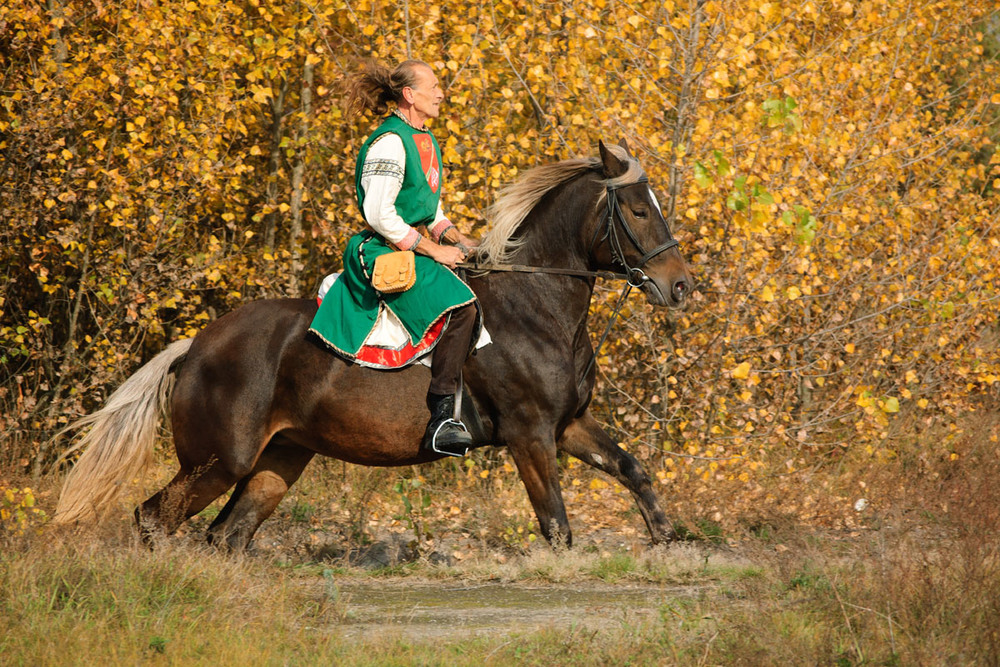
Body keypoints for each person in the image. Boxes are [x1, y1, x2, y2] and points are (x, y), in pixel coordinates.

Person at [308, 59, 481, 457]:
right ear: (409, 95)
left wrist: (460, 240)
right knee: (462, 308)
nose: (441, 93)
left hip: (408, 244)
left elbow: (427, 209)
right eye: (433, 86)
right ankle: (442, 417)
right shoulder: (389, 142)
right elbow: (380, 214)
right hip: (381, 251)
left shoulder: (426, 139)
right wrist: (435, 249)